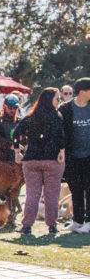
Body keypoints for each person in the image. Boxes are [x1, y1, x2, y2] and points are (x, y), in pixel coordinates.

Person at [14, 88, 66, 235]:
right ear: (50, 100)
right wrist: (61, 151)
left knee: (32, 194)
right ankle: (52, 226)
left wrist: (18, 151)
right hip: (52, 159)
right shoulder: (57, 116)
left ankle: (26, 226)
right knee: (51, 194)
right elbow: (61, 137)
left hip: (32, 159)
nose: (59, 101)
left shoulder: (31, 117)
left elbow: (16, 133)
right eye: (57, 99)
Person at [62, 78, 90, 233]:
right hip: (72, 157)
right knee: (76, 189)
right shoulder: (65, 109)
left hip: (89, 156)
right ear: (83, 92)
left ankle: (89, 221)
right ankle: (78, 220)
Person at [0, 94, 21, 162]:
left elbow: (26, 138)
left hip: (16, 160)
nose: (13, 110)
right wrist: (11, 145)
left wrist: (23, 139)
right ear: (4, 106)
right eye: (10, 107)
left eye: (15, 107)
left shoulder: (19, 122)